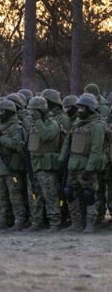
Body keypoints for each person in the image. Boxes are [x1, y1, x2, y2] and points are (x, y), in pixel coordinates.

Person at [59, 94, 106, 233]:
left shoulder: (97, 126)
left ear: (90, 109)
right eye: (78, 108)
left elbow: (96, 149)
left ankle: (91, 223)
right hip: (72, 165)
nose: (79, 111)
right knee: (69, 192)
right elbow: (68, 142)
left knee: (89, 194)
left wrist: (89, 168)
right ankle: (76, 223)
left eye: (82, 108)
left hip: (86, 166)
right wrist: (62, 160)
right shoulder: (77, 123)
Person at [25, 97, 61, 232]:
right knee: (34, 196)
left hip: (46, 166)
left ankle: (55, 222)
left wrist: (39, 120)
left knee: (50, 195)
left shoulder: (53, 123)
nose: (32, 113)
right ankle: (36, 222)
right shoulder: (34, 124)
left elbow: (46, 136)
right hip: (34, 165)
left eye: (34, 110)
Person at [0, 99, 26, 231]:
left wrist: (0, 138)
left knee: (15, 195)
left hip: (11, 165)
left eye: (2, 111)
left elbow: (16, 145)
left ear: (10, 112)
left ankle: (19, 220)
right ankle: (2, 220)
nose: (0, 114)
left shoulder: (16, 127)